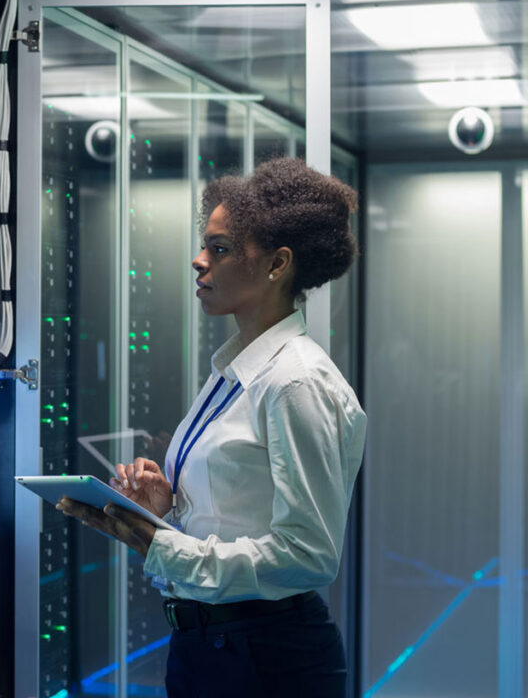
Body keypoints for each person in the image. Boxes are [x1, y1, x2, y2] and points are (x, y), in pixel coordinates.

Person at [57, 158, 366, 697]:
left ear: (278, 264)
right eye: (205, 246)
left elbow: (308, 556)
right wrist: (166, 510)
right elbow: (236, 512)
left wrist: (162, 545)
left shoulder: (295, 381)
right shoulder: (237, 370)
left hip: (266, 657)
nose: (199, 261)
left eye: (220, 249)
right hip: (208, 646)